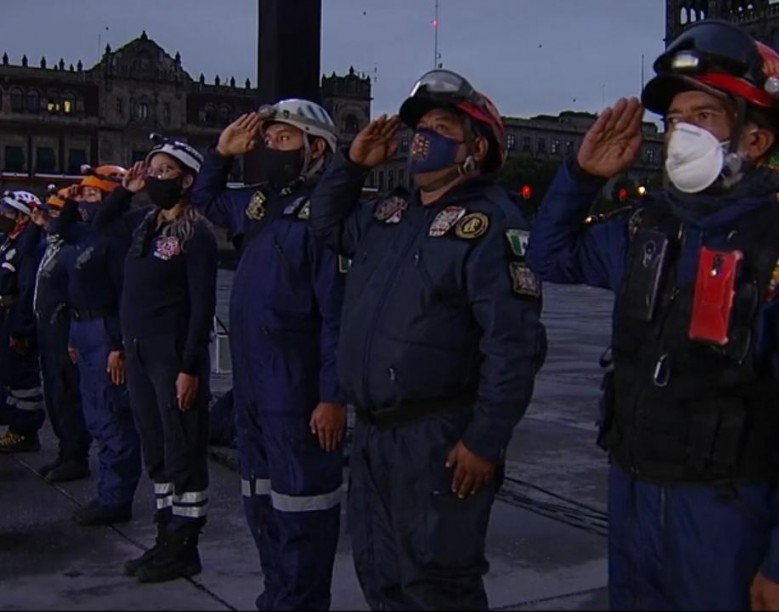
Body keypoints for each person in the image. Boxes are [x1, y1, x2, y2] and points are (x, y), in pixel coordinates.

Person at [525, 20, 779, 611]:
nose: (682, 133)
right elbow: (550, 256)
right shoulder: (647, 227)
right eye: (676, 119)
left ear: (756, 138)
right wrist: (581, 176)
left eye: (703, 117)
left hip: (727, 519)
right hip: (635, 502)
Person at [310, 69, 548, 610]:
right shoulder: (392, 214)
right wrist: (352, 164)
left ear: (477, 147)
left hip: (437, 440)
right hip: (373, 436)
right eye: (420, 127)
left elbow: (514, 346)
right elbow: (325, 225)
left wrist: (485, 441)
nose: (422, 138)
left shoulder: (489, 225)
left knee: (438, 585)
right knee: (381, 574)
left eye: (441, 126)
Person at [190, 99, 346, 610]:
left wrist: (332, 396)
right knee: (261, 503)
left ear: (315, 148)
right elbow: (205, 199)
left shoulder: (328, 214)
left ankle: (299, 603)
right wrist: (220, 152)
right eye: (268, 139)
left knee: (303, 510)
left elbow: (336, 317)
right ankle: (276, 598)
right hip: (255, 388)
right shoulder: (261, 203)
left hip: (298, 391)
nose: (269, 148)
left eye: (282, 139)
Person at [93, 135, 217, 583]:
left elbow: (202, 307)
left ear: (186, 180)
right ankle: (164, 537)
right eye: (151, 168)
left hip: (173, 358)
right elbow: (100, 227)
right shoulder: (145, 225)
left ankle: (185, 543)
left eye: (164, 171)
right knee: (157, 448)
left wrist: (189, 367)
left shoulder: (195, 234)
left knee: (182, 447)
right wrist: (125, 190)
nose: (155, 177)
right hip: (140, 354)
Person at [50, 164, 143, 526]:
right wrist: (72, 199)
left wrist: (120, 345)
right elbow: (60, 228)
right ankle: (108, 491)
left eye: (93, 194)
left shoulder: (117, 235)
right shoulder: (85, 234)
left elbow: (125, 293)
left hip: (106, 329)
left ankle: (116, 498)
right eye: (84, 195)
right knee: (95, 414)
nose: (87, 202)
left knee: (112, 417)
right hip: (82, 326)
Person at [31, 186, 92, 480]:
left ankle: (75, 455)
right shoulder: (51, 243)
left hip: (64, 331)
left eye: (55, 213)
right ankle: (64, 452)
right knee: (54, 394)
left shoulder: (72, 248)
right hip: (47, 331)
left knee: (68, 396)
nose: (49, 218)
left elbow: (77, 294)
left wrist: (72, 338)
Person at [0, 190, 45, 452]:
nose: (2, 216)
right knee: (8, 374)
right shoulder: (8, 242)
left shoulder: (31, 247)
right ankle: (14, 423)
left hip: (17, 318)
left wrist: (21, 329)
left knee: (22, 378)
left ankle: (24, 432)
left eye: (7, 212)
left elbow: (27, 290)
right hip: (5, 316)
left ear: (21, 217)